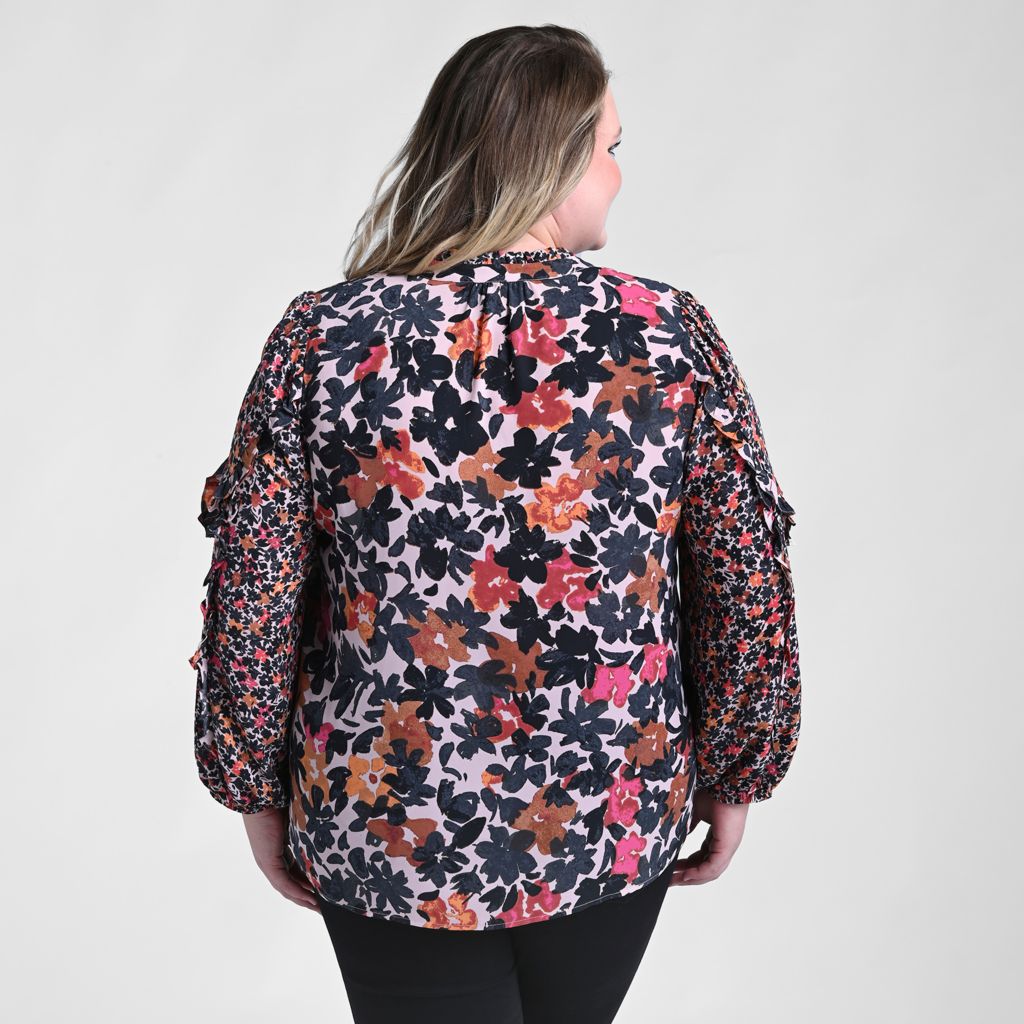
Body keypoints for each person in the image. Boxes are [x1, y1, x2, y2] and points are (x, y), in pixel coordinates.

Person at [187, 23, 802, 1024]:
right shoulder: (666, 336)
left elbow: (256, 592)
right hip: (611, 808)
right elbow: (744, 579)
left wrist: (252, 785)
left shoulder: (324, 338)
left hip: (388, 821)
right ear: (551, 158)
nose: (617, 175)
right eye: (609, 148)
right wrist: (739, 770)